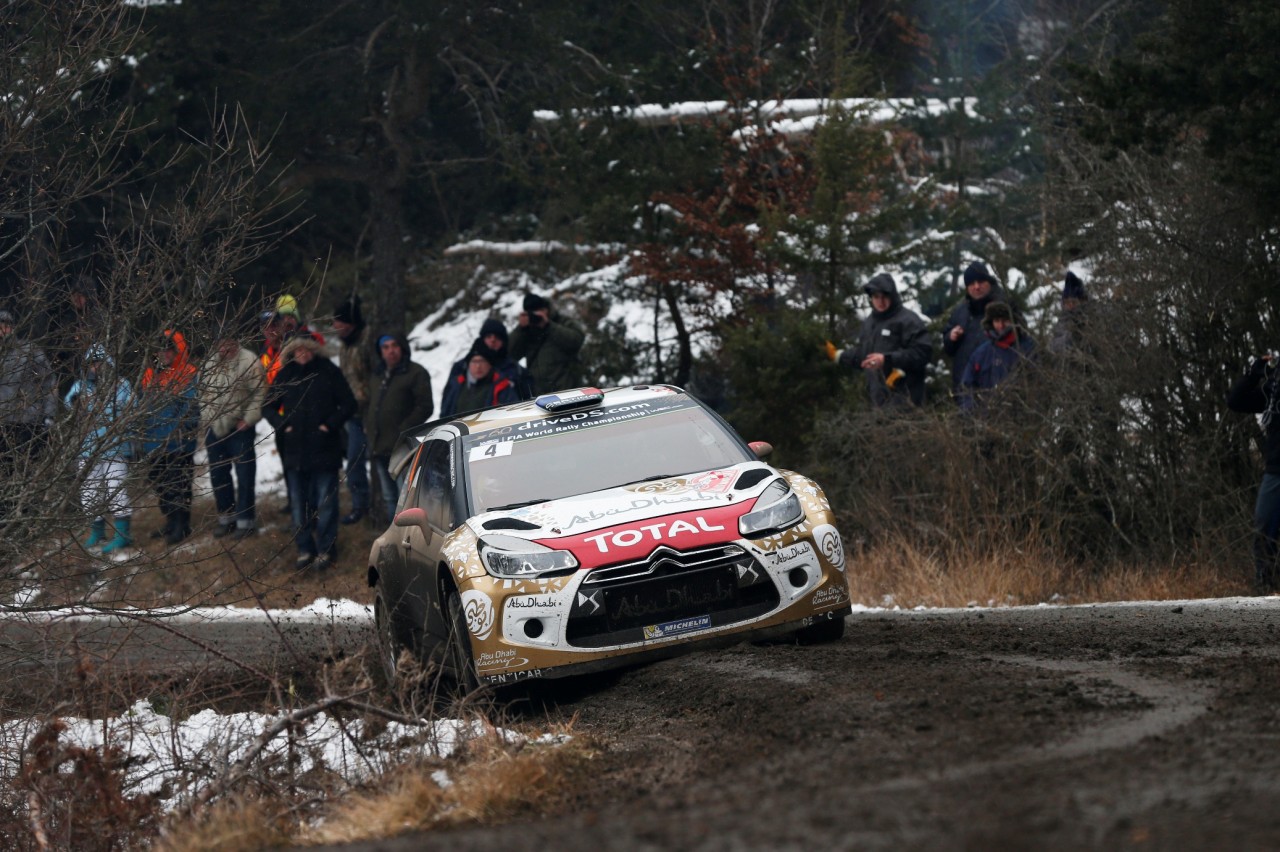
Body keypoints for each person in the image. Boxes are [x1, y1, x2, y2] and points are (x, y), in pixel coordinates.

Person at [263, 336, 356, 571]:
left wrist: (330, 425)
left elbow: (348, 403)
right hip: (295, 451)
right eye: (297, 350)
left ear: (314, 350)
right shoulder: (286, 375)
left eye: (306, 349)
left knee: (326, 502)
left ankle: (326, 548)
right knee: (298, 504)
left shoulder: (328, 370)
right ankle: (304, 549)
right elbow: (268, 405)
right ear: (291, 353)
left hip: (325, 447)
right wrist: (284, 425)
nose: (302, 353)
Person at [64, 343, 134, 556]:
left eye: (99, 362)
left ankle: (122, 535)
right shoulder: (81, 385)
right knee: (89, 493)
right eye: (92, 363)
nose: (95, 367)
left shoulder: (120, 384)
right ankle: (97, 532)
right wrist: (78, 403)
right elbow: (70, 404)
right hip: (88, 448)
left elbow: (130, 408)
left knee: (116, 489)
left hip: (114, 447)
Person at [200, 325, 266, 539]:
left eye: (228, 341)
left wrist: (249, 419)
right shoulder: (210, 363)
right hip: (215, 429)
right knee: (218, 475)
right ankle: (226, 519)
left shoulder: (250, 361)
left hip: (240, 428)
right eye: (221, 342)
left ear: (236, 341)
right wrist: (207, 417)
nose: (224, 347)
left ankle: (246, 522)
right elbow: (202, 393)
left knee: (245, 475)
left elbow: (260, 393)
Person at [827, 273, 932, 408]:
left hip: (906, 400)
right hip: (877, 401)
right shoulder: (870, 322)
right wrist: (838, 355)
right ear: (871, 298)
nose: (880, 302)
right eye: (876, 297)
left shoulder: (908, 320)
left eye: (885, 297)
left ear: (893, 296)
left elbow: (923, 353)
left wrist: (887, 360)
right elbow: (864, 355)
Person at [138, 329, 200, 545]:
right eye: (160, 350)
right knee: (161, 485)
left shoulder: (187, 373)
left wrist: (179, 430)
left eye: (168, 350)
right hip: (154, 443)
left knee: (179, 484)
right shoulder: (149, 375)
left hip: (178, 442)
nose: (163, 354)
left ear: (177, 351)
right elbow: (142, 408)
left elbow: (191, 408)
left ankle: (182, 524)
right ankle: (171, 521)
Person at [1227, 352, 1280, 594]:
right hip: (1276, 471)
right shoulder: (1273, 393)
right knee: (1264, 525)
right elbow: (1236, 401)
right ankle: (1265, 583)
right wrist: (1254, 373)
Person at [365, 332, 433, 516]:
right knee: (389, 497)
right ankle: (393, 538)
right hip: (379, 446)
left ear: (402, 348)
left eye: (394, 346)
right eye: (385, 347)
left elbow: (425, 406)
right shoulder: (377, 375)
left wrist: (404, 429)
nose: (390, 351)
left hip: (403, 448)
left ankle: (409, 539)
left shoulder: (416, 373)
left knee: (407, 498)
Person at [0, 309, 58, 520]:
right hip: (3, 425)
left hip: (28, 423)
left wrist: (49, 416)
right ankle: (6, 519)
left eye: (6, 325)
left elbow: (48, 383)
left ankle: (25, 518)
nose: (2, 329)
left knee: (26, 472)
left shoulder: (29, 352)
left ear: (12, 327)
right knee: (4, 473)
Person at [942, 262, 1019, 397]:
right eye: (971, 283)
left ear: (989, 282)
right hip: (965, 391)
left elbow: (1021, 340)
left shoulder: (1004, 306)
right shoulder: (960, 311)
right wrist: (951, 338)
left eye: (980, 282)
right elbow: (948, 349)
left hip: (998, 390)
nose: (976, 287)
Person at [331, 294, 373, 525]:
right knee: (354, 462)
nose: (335, 327)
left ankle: (371, 504)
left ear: (350, 323)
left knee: (360, 461)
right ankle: (361, 505)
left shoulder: (366, 342)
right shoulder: (344, 347)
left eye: (339, 322)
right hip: (351, 413)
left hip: (368, 412)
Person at [440, 318, 533, 416]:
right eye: (489, 336)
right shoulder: (461, 367)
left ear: (504, 340)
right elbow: (448, 401)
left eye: (497, 337)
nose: (493, 340)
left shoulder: (516, 370)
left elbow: (527, 403)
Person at [959, 302, 1036, 414]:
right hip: (987, 420)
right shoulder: (981, 354)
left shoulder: (1028, 349)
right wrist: (971, 411)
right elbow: (967, 386)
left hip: (1021, 417)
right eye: (996, 321)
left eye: (1005, 320)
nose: (1001, 326)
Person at [508, 292, 584, 395]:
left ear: (545, 310)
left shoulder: (562, 322)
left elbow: (576, 341)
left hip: (569, 391)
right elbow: (510, 355)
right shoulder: (527, 331)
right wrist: (520, 329)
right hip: (540, 396)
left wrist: (548, 325)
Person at [446, 341, 521, 415]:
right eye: (474, 361)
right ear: (468, 364)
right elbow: (446, 413)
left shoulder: (502, 386)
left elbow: (513, 413)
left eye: (482, 361)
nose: (478, 366)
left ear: (490, 364)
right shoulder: (457, 384)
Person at [1048, 271, 1090, 356]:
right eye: (1066, 302)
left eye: (1074, 302)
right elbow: (1053, 345)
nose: (1070, 306)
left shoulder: (1092, 315)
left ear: (1083, 301)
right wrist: (1070, 336)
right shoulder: (1062, 321)